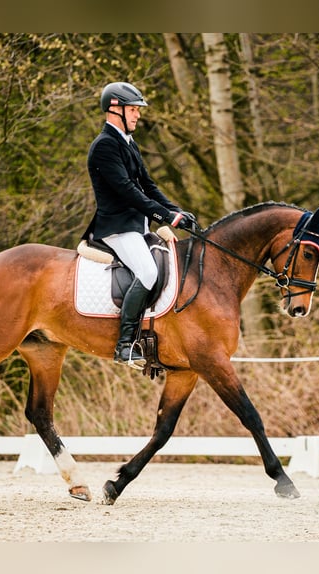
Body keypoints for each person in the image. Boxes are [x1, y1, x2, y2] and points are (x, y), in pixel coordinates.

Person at [84, 81, 197, 369]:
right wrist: (166, 217)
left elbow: (148, 185)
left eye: (136, 110)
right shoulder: (104, 147)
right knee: (147, 272)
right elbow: (128, 192)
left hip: (137, 225)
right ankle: (124, 345)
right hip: (117, 228)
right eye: (133, 110)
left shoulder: (128, 143)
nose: (137, 115)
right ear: (115, 109)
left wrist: (175, 210)